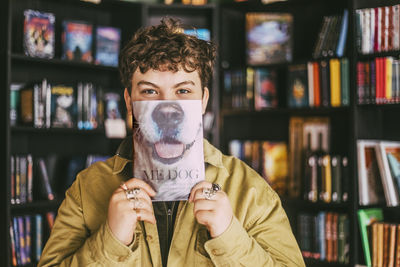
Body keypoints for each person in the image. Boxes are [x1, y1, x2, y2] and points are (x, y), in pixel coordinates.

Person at [38, 18, 305, 267]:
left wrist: (228, 233)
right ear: (129, 102)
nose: (168, 107)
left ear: (203, 100)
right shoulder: (87, 188)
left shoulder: (250, 189)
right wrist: (112, 239)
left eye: (183, 90)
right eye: (150, 91)